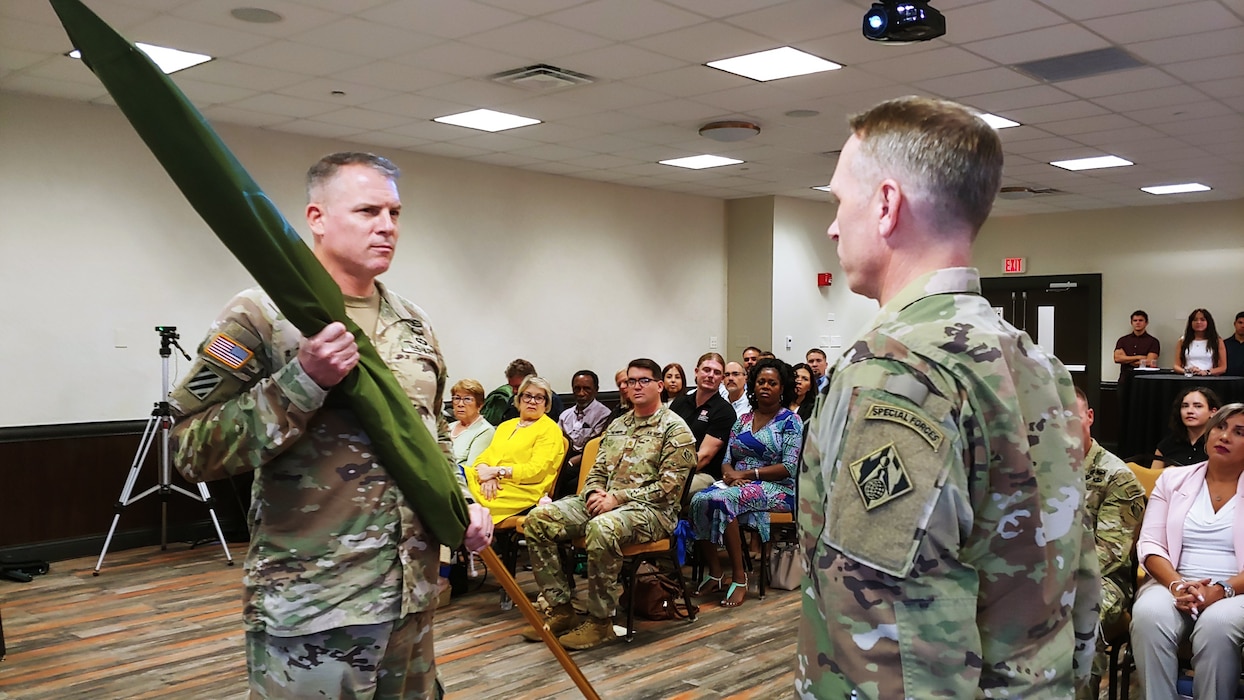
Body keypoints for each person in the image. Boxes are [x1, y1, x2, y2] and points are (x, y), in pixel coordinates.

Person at [797, 97, 1097, 698]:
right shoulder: (1032, 360)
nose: (832, 225)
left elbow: (890, 638)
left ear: (886, 205)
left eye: (838, 202)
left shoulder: (894, 370)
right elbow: (1073, 578)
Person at [167, 152, 492, 699]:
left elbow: (432, 434)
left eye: (394, 212)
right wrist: (302, 382)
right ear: (316, 217)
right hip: (314, 601)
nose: (387, 226)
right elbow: (188, 448)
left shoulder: (413, 322)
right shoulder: (261, 316)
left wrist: (462, 501)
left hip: (413, 595)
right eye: (368, 210)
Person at [520, 358, 696, 650]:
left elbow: (668, 489)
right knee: (539, 519)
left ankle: (600, 622)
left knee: (602, 528)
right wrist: (593, 493)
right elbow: (597, 471)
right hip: (605, 500)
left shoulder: (675, 430)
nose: (635, 386)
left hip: (652, 512)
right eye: (630, 381)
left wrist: (618, 498)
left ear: (659, 386)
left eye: (643, 381)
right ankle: (561, 609)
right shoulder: (617, 425)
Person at [1131, 403, 1244, 699]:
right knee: (1148, 614)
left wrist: (1222, 589)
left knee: (1217, 624)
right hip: (1175, 581)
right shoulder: (1171, 479)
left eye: (1239, 432)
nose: (1224, 436)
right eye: (1219, 427)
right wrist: (1178, 584)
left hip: (1238, 588)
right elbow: (1151, 544)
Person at [690, 358, 803, 607]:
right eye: (761, 381)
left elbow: (789, 467)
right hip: (738, 484)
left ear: (782, 387)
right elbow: (727, 459)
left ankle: (740, 578)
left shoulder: (790, 421)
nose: (765, 386)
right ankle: (716, 572)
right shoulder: (742, 420)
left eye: (772, 383)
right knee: (698, 499)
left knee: (724, 500)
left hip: (780, 489)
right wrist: (730, 475)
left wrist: (747, 476)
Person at [1072, 386, 1147, 700]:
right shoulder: (1031, 468)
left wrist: (1052, 577)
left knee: (1078, 614)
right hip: (1038, 573)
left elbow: (1112, 552)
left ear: (1089, 417)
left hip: (1101, 578)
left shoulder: (1116, 476)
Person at [468, 376, 565, 523]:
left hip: (520, 492)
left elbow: (535, 471)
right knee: (451, 475)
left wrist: (496, 472)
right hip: (488, 483)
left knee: (457, 497)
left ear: (546, 404)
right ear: (519, 399)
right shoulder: (505, 426)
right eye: (527, 396)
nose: (532, 401)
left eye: (539, 398)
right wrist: (488, 476)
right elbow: (483, 458)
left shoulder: (549, 429)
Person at [669, 353, 735, 494]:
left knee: (669, 489)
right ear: (696, 372)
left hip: (703, 473)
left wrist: (671, 473)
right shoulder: (679, 403)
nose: (711, 375)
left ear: (722, 379)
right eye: (706, 370)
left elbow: (704, 457)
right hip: (670, 467)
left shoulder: (724, 411)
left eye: (717, 373)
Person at [554, 370, 611, 498]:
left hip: (587, 460)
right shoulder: (565, 415)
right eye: (577, 388)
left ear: (596, 390)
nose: (581, 393)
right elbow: (558, 440)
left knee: (566, 481)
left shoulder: (604, 414)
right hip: (564, 457)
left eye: (586, 389)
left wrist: (571, 462)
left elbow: (596, 447)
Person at [1152, 387, 1224, 470]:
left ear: (1213, 412)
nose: (1190, 411)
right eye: (1185, 406)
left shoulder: (1220, 444)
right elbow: (1153, 478)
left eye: (1198, 406)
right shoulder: (1168, 444)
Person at [481, 359, 565, 425]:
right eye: (511, 387)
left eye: (518, 387)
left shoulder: (552, 400)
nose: (514, 391)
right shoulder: (512, 401)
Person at [449, 378, 494, 479]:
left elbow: (472, 470)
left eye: (467, 399)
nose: (460, 404)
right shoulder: (448, 427)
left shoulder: (485, 431)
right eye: (457, 398)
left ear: (479, 405)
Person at [1174, 308, 1228, 377]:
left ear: (1208, 322)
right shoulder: (1182, 341)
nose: (1198, 322)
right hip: (1188, 378)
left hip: (1209, 378)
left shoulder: (1217, 341)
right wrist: (1187, 371)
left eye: (1202, 320)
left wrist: (1207, 372)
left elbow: (1223, 368)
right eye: (1195, 320)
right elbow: (1176, 366)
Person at [1114, 309, 1161, 379]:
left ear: (1146, 323)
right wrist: (1139, 357)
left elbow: (1150, 362)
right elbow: (1117, 358)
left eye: (1140, 320)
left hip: (1144, 379)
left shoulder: (1153, 341)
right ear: (1131, 323)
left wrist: (1126, 360)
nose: (1138, 323)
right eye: (1135, 320)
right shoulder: (1123, 340)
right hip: (1125, 379)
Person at [1225, 312, 1244, 377]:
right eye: (1240, 323)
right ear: (1235, 324)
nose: (1243, 326)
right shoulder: (1224, 344)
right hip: (1228, 382)